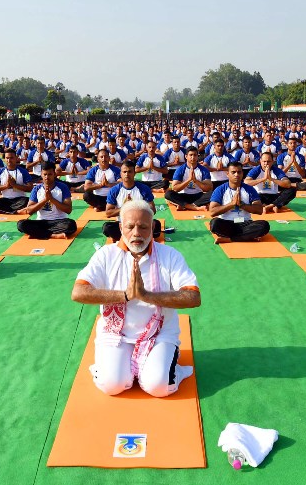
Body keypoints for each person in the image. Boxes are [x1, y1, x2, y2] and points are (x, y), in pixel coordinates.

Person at [71, 199, 201, 397]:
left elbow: (193, 297)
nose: (136, 233)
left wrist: (147, 296)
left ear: (153, 228)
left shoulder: (170, 255)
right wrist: (125, 295)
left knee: (158, 387)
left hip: (160, 334)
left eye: (143, 227)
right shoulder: (106, 255)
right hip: (116, 334)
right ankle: (113, 368)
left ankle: (173, 368)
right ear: (120, 227)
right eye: (130, 227)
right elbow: (78, 292)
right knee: (112, 385)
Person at [209, 162, 269, 243]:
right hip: (227, 223)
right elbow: (212, 212)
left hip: (245, 223)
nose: (236, 175)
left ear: (242, 173)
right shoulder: (220, 189)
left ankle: (230, 239)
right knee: (214, 223)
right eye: (233, 172)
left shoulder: (249, 189)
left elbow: (259, 210)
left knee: (264, 225)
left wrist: (242, 205)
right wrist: (231, 204)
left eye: (239, 172)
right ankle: (246, 236)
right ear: (227, 174)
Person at [17, 162, 78, 239]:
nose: (47, 177)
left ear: (54, 174)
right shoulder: (36, 189)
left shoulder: (63, 187)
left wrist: (52, 199)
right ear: (41, 175)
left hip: (59, 221)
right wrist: (45, 200)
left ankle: (38, 233)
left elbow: (68, 210)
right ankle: (53, 235)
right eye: (45, 174)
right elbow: (29, 211)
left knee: (71, 225)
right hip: (41, 221)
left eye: (50, 174)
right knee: (21, 224)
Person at [104, 160, 161, 242]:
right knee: (107, 227)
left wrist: (136, 207)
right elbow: (108, 213)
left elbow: (153, 210)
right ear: (121, 174)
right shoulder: (114, 190)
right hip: (124, 224)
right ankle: (132, 236)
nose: (127, 174)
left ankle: (123, 237)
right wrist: (126, 207)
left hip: (140, 223)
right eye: (124, 172)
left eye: (130, 172)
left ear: (134, 173)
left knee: (156, 224)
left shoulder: (143, 189)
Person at [164, 146, 213, 211]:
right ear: (186, 156)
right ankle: (195, 207)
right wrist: (189, 180)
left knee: (213, 193)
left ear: (197, 156)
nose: (193, 157)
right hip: (184, 195)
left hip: (198, 196)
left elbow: (209, 188)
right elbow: (175, 188)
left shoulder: (203, 170)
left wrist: (195, 181)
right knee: (168, 194)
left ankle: (185, 205)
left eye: (195, 155)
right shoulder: (180, 169)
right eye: (191, 155)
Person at [0, 149, 32, 214]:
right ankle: (14, 211)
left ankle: (2, 210)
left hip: (19, 199)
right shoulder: (0, 171)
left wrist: (14, 185)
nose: (9, 160)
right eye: (7, 158)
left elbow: (30, 188)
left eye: (11, 158)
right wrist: (6, 186)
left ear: (16, 158)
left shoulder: (23, 171)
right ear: (4, 159)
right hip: (5, 200)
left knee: (28, 201)